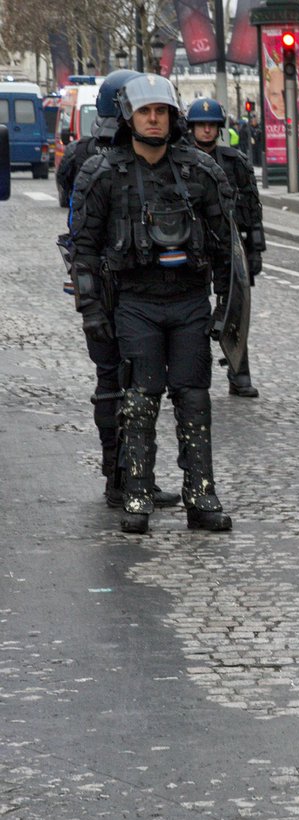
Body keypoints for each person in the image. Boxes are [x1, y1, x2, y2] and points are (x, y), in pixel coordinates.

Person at [69, 74, 235, 534]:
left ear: (173, 116)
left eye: (161, 111)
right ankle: (137, 494)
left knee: (194, 397)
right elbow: (83, 250)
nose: (154, 119)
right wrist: (91, 310)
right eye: (145, 112)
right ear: (129, 117)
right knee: (140, 400)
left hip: (189, 302)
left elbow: (227, 249)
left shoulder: (201, 172)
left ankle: (201, 496)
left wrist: (225, 309)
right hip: (135, 302)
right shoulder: (102, 174)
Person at [57, 70, 184, 512]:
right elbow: (83, 235)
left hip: (113, 285)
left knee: (119, 382)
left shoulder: (83, 153)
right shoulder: (103, 161)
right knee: (123, 384)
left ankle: (126, 476)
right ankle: (125, 477)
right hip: (116, 285)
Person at [186, 97, 266, 397]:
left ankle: (239, 373)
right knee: (191, 315)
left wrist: (255, 251)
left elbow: (252, 210)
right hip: (192, 248)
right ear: (192, 128)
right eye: (201, 125)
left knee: (235, 312)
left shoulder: (236, 162)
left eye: (211, 125)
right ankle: (191, 377)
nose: (206, 130)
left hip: (228, 248)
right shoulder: (178, 161)